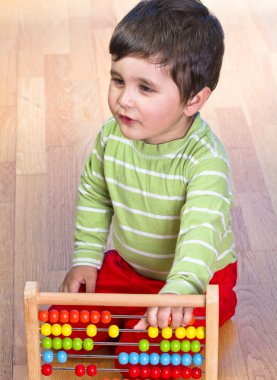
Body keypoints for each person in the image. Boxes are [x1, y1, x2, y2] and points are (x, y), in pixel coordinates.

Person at [60, 0, 237, 348]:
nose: (124, 100)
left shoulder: (205, 162)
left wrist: (181, 288)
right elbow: (96, 195)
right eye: (118, 80)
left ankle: (202, 306)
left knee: (141, 354)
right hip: (131, 269)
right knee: (71, 326)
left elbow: (200, 233)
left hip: (196, 278)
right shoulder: (111, 137)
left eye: (145, 88)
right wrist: (86, 258)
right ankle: (136, 307)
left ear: (193, 101)